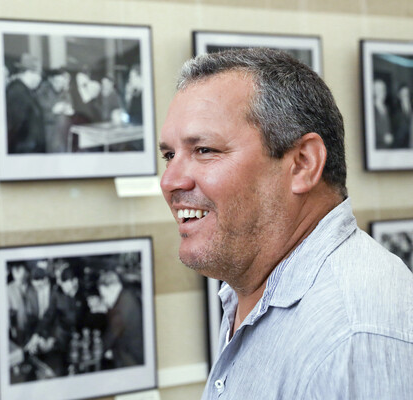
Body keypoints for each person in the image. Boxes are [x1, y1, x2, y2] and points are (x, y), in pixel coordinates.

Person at [159, 48, 413, 399]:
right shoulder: (252, 290)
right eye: (169, 155)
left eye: (204, 150)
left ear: (303, 163)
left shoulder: (355, 337)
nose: (169, 181)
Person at [97, 270, 143, 369]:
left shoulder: (120, 310)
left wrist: (97, 350)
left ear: (111, 289)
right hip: (135, 345)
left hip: (132, 356)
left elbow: (109, 337)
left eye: (104, 296)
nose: (104, 300)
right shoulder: (126, 293)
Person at [5, 53, 45, 153]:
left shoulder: (25, 91)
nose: (39, 79)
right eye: (38, 75)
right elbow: (15, 127)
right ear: (29, 72)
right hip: (23, 152)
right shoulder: (17, 92)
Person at [35, 68, 74, 153]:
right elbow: (38, 115)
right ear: (51, 80)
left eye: (62, 82)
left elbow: (70, 109)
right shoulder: (42, 92)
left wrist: (69, 110)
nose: (60, 85)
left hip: (63, 131)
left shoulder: (65, 92)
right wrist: (53, 110)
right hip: (47, 130)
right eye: (57, 81)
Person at [372, 78, 393, 149]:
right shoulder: (372, 109)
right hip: (378, 146)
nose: (383, 93)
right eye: (380, 90)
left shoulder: (386, 108)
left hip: (387, 147)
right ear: (374, 91)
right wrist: (382, 138)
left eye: (384, 90)